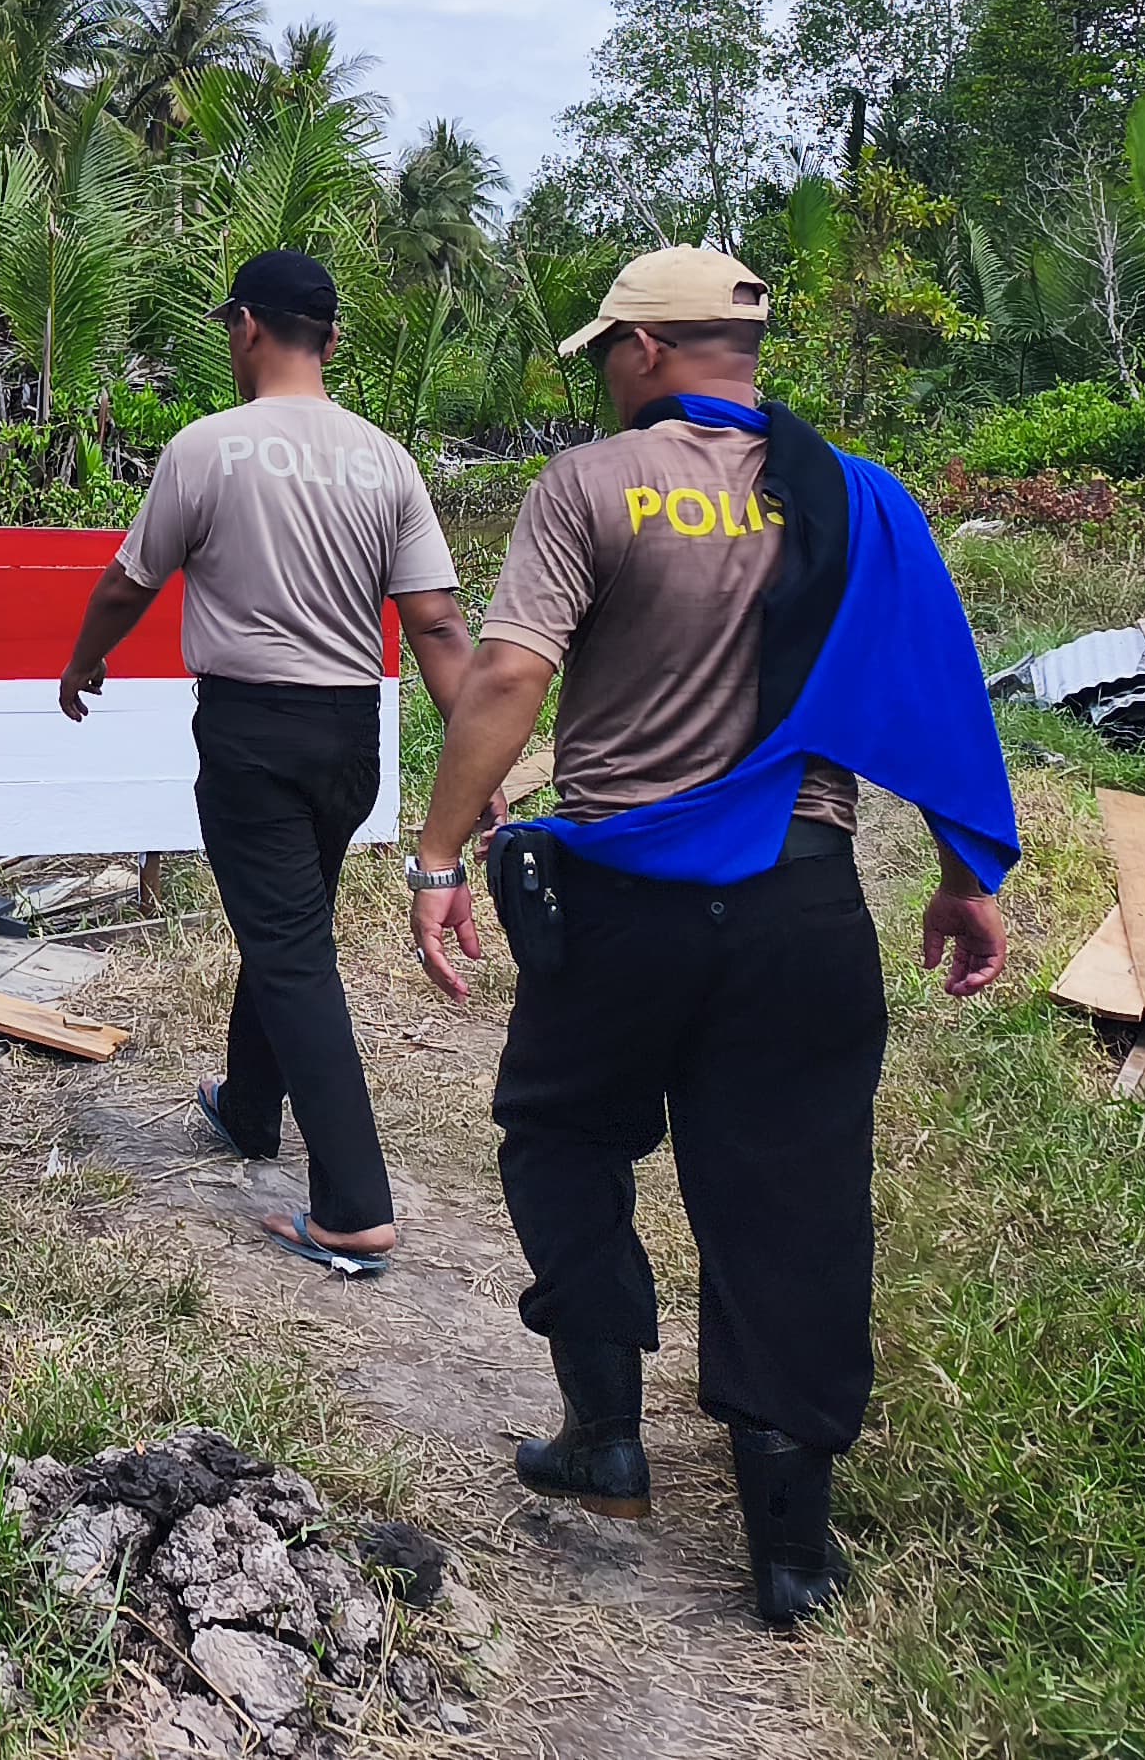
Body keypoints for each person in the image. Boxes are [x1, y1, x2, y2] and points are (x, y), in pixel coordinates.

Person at [405, 245, 1016, 1630]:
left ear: (641, 351)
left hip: (624, 903)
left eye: (608, 353)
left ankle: (604, 1428)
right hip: (803, 901)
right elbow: (937, 686)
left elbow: (509, 672)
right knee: (791, 1202)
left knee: (561, 1134)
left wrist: (438, 854)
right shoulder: (857, 497)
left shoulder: (592, 485)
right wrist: (966, 871)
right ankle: (793, 1554)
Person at [57, 248, 473, 1277]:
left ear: (246, 328)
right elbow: (438, 625)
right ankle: (249, 1106)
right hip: (349, 739)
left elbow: (128, 580)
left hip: (252, 732)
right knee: (283, 918)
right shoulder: (389, 461)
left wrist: (84, 659)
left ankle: (354, 1208)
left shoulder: (209, 449)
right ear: (328, 341)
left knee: (290, 948)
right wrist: (480, 759)